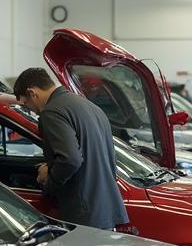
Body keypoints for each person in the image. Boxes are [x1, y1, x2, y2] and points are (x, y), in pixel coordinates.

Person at [13, 67, 129, 230]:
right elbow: (104, 157)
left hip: (83, 214)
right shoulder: (90, 107)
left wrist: (49, 181)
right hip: (105, 210)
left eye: (26, 103)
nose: (28, 108)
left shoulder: (52, 112)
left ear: (32, 92)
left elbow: (70, 159)